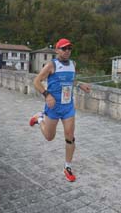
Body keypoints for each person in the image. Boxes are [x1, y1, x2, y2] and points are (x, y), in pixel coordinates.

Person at [29, 38, 91, 182]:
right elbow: (36, 82)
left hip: (68, 107)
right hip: (53, 107)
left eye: (69, 48)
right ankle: (39, 118)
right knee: (49, 137)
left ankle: (67, 167)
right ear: (57, 50)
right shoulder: (51, 65)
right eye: (64, 48)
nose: (67, 51)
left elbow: (71, 80)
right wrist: (47, 95)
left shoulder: (73, 64)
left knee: (70, 136)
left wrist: (80, 84)